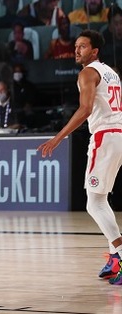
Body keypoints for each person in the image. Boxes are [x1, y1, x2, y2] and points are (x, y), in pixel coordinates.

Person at [37, 30, 122, 284]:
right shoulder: (111, 72)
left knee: (93, 203)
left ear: (94, 51)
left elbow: (85, 109)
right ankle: (115, 257)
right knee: (99, 200)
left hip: (105, 137)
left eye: (82, 47)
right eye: (76, 46)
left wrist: (58, 137)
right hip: (118, 132)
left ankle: (120, 253)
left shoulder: (87, 73)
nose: (77, 50)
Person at [101, 4, 122, 68]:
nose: (119, 27)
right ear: (110, 27)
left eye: (121, 23)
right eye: (116, 24)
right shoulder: (103, 42)